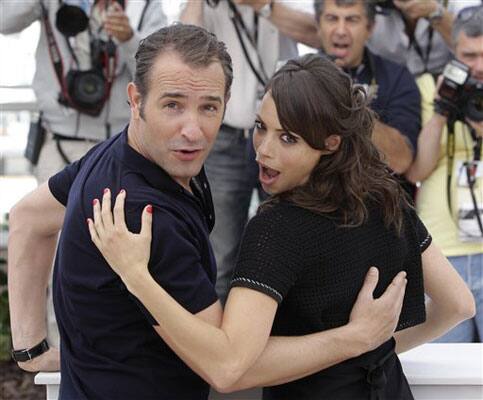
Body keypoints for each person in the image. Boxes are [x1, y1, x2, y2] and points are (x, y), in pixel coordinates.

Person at [9, 24, 411, 399]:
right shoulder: (144, 215)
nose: (193, 130)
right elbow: (228, 363)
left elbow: (28, 217)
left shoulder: (119, 151)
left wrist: (30, 349)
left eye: (208, 107)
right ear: (136, 100)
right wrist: (355, 337)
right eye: (173, 106)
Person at [88, 54, 475, 399]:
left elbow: (228, 368)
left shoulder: (276, 229)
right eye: (261, 127)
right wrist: (368, 346)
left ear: (331, 143)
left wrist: (136, 276)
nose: (264, 149)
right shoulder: (387, 199)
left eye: (288, 138)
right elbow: (458, 304)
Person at [0, 0, 166, 346]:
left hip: (121, 147)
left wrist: (129, 38)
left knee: (123, 255)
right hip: (59, 143)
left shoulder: (145, 4)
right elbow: (5, 19)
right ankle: (60, 359)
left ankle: (116, 357)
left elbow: (165, 62)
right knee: (59, 258)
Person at [180, 0, 319, 303]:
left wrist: (266, 7)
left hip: (285, 137)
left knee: (289, 241)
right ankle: (218, 342)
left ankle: (288, 332)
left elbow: (319, 34)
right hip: (226, 139)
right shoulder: (208, 7)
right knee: (220, 254)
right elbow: (184, 49)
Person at [406, 5, 483, 343]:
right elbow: (418, 169)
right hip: (442, 249)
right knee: (446, 367)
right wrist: (441, 111)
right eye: (469, 55)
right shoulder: (429, 86)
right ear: (453, 51)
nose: (478, 67)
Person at [314, 0, 421, 198]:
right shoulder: (296, 76)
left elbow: (402, 160)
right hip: (315, 199)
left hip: (377, 203)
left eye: (352, 20)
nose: (341, 30)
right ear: (318, 25)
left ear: (370, 28)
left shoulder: (397, 77)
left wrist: (347, 100)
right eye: (332, 19)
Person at [367, 0, 481, 77]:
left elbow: (475, 46)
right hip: (384, 84)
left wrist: (436, 13)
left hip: (448, 81)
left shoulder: (462, 3)